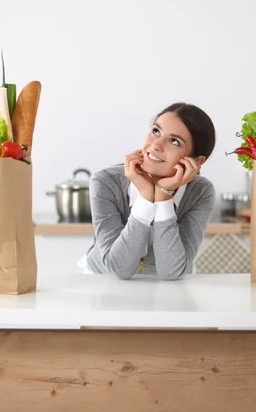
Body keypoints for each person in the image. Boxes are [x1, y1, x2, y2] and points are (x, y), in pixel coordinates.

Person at [79, 102, 216, 280]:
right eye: (155, 131)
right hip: (104, 283)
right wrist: (146, 197)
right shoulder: (106, 181)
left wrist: (162, 196)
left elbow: (171, 271)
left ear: (196, 161)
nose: (156, 145)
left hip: (167, 290)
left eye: (174, 141)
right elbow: (118, 268)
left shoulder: (201, 192)